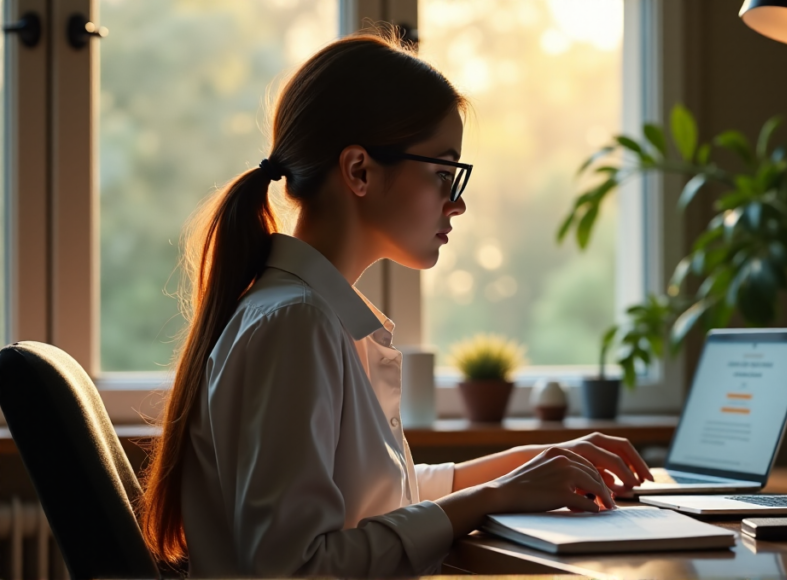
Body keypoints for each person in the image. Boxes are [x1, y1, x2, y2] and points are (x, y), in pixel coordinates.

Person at [138, 30, 653, 578]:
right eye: (442, 172)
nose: (457, 203)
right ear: (359, 171)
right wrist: (491, 498)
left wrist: (535, 465)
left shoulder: (318, 316)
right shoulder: (296, 323)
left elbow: (389, 493)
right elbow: (294, 569)